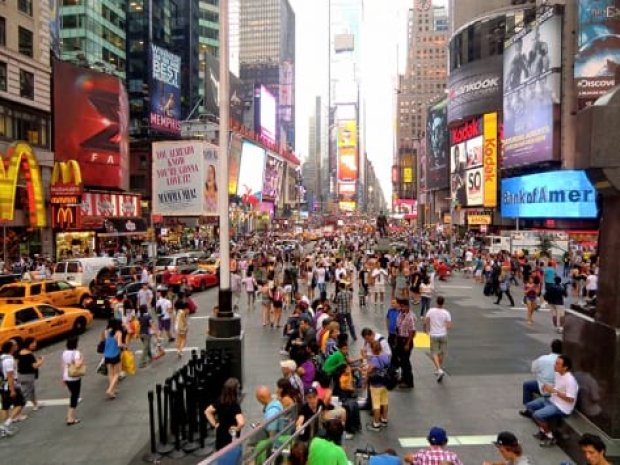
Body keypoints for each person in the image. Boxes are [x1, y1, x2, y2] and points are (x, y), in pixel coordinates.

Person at [521, 355, 579, 447]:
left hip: (561, 407)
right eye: (555, 363)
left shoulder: (570, 381)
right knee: (529, 406)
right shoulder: (558, 373)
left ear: (565, 367)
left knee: (537, 415)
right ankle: (543, 430)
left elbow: (570, 399)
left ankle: (550, 437)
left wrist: (553, 391)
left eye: (557, 364)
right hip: (552, 399)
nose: (554, 365)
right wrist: (548, 389)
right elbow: (557, 389)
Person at [205, 378, 245, 451]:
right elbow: (241, 422)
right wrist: (237, 428)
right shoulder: (234, 405)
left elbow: (208, 411)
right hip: (231, 435)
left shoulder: (219, 400)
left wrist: (215, 424)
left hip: (220, 433)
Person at [520, 339, 562, 407]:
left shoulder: (543, 358)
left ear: (551, 347)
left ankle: (528, 407)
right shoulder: (565, 361)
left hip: (544, 387)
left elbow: (533, 369)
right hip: (558, 388)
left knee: (527, 385)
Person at [424, 295, 452, 382]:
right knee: (442, 353)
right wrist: (444, 328)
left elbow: (426, 321)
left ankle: (439, 369)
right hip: (443, 334)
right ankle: (439, 369)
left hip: (433, 334)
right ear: (443, 303)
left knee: (434, 352)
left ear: (436, 302)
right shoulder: (446, 313)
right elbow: (449, 325)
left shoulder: (431, 311)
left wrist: (426, 329)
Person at [1, 340, 27, 435]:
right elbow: (10, 376)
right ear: (11, 348)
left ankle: (3, 427)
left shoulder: (2, 358)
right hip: (10, 385)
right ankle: (6, 424)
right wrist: (12, 390)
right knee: (20, 403)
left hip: (3, 385)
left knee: (5, 406)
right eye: (15, 344)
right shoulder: (9, 360)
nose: (17, 345)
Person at [367, 341, 390, 431]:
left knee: (376, 404)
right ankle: (384, 419)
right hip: (385, 383)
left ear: (373, 349)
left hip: (376, 384)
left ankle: (376, 423)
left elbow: (369, 371)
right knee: (385, 401)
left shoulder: (374, 359)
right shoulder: (385, 356)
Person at [17, 338, 44, 411]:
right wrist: (41, 361)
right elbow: (35, 366)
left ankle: (35, 404)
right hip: (28, 376)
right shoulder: (29, 355)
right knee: (25, 394)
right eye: (33, 343)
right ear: (28, 344)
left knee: (31, 390)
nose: (35, 345)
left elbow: (21, 364)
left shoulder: (21, 352)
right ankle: (16, 413)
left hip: (21, 375)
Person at [62, 336, 83, 425]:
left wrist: (63, 378)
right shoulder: (77, 353)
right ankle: (70, 417)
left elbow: (63, 365)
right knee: (75, 397)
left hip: (66, 376)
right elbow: (78, 365)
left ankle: (71, 415)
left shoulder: (64, 353)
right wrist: (82, 359)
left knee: (73, 395)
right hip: (74, 377)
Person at [395, 298, 416, 388]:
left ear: (407, 306)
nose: (401, 308)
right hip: (400, 338)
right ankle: (403, 378)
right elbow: (398, 327)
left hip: (406, 340)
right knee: (402, 361)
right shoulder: (401, 314)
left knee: (405, 362)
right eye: (400, 306)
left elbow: (412, 331)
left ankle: (409, 382)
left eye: (403, 306)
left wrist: (408, 343)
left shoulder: (410, 316)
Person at [103, 319, 124, 399]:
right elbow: (119, 344)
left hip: (107, 355)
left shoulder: (106, 332)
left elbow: (106, 341)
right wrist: (123, 345)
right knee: (117, 373)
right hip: (115, 354)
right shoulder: (118, 333)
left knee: (110, 373)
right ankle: (110, 389)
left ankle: (113, 389)